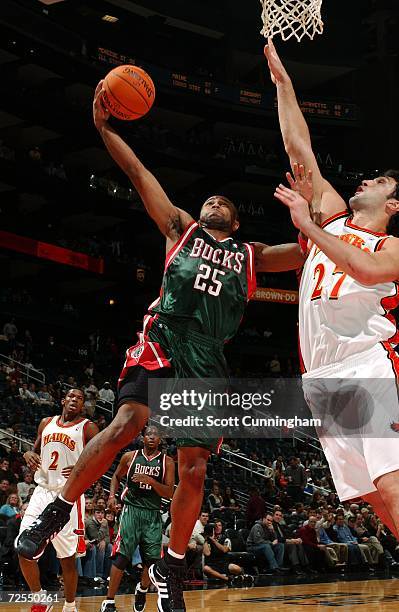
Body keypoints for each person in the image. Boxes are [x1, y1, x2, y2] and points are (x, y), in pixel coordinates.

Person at [17, 81, 305, 612]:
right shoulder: (180, 228)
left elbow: (309, 248)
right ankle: (57, 508)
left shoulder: (253, 253)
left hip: (206, 359)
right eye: (208, 198)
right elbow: (137, 173)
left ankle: (172, 564)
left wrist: (308, 204)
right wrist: (104, 128)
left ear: (237, 222)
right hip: (165, 336)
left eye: (223, 201)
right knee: (127, 422)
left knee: (194, 469)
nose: (212, 200)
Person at [265, 38, 399, 541]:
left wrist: (307, 225)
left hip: (368, 361)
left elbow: (363, 271)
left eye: (383, 181)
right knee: (366, 491)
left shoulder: (391, 245)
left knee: (390, 479)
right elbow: (299, 148)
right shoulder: (334, 214)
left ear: (394, 204)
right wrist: (283, 83)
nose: (368, 180)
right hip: (320, 375)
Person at [16, 389, 98, 612]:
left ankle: (70, 606)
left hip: (68, 495)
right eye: (71, 396)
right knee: (23, 546)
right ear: (63, 400)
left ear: (83, 405)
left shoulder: (88, 427)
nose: (75, 400)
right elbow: (33, 452)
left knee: (67, 558)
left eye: (79, 398)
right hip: (42, 491)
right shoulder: (46, 423)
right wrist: (27, 454)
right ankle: (40, 598)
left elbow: (102, 459)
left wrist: (84, 470)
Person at [100, 426, 175, 612]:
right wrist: (111, 496)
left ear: (160, 439)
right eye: (148, 434)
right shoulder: (130, 456)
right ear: (142, 437)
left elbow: (169, 492)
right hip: (131, 511)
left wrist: (151, 481)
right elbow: (116, 477)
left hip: (152, 514)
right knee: (122, 557)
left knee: (152, 562)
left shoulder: (167, 462)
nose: (151, 437)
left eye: (155, 435)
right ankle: (109, 601)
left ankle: (141, 589)